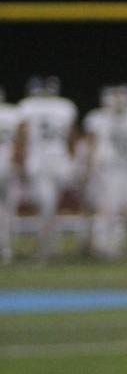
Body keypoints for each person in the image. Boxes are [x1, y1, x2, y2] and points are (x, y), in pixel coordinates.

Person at [81, 85, 127, 258]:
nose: (118, 103)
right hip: (107, 170)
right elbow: (91, 144)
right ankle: (102, 245)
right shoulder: (98, 118)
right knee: (108, 209)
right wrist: (89, 167)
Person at [17, 76, 78, 261]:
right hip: (61, 161)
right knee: (54, 205)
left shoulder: (27, 106)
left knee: (46, 206)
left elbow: (22, 134)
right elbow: (71, 136)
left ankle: (47, 247)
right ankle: (51, 246)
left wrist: (20, 159)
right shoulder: (65, 107)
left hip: (40, 161)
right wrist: (73, 158)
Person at [0, 88, 20, 264]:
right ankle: (6, 250)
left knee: (7, 210)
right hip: (9, 165)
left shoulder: (14, 113)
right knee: (8, 211)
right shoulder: (14, 113)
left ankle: (6, 249)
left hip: (8, 165)